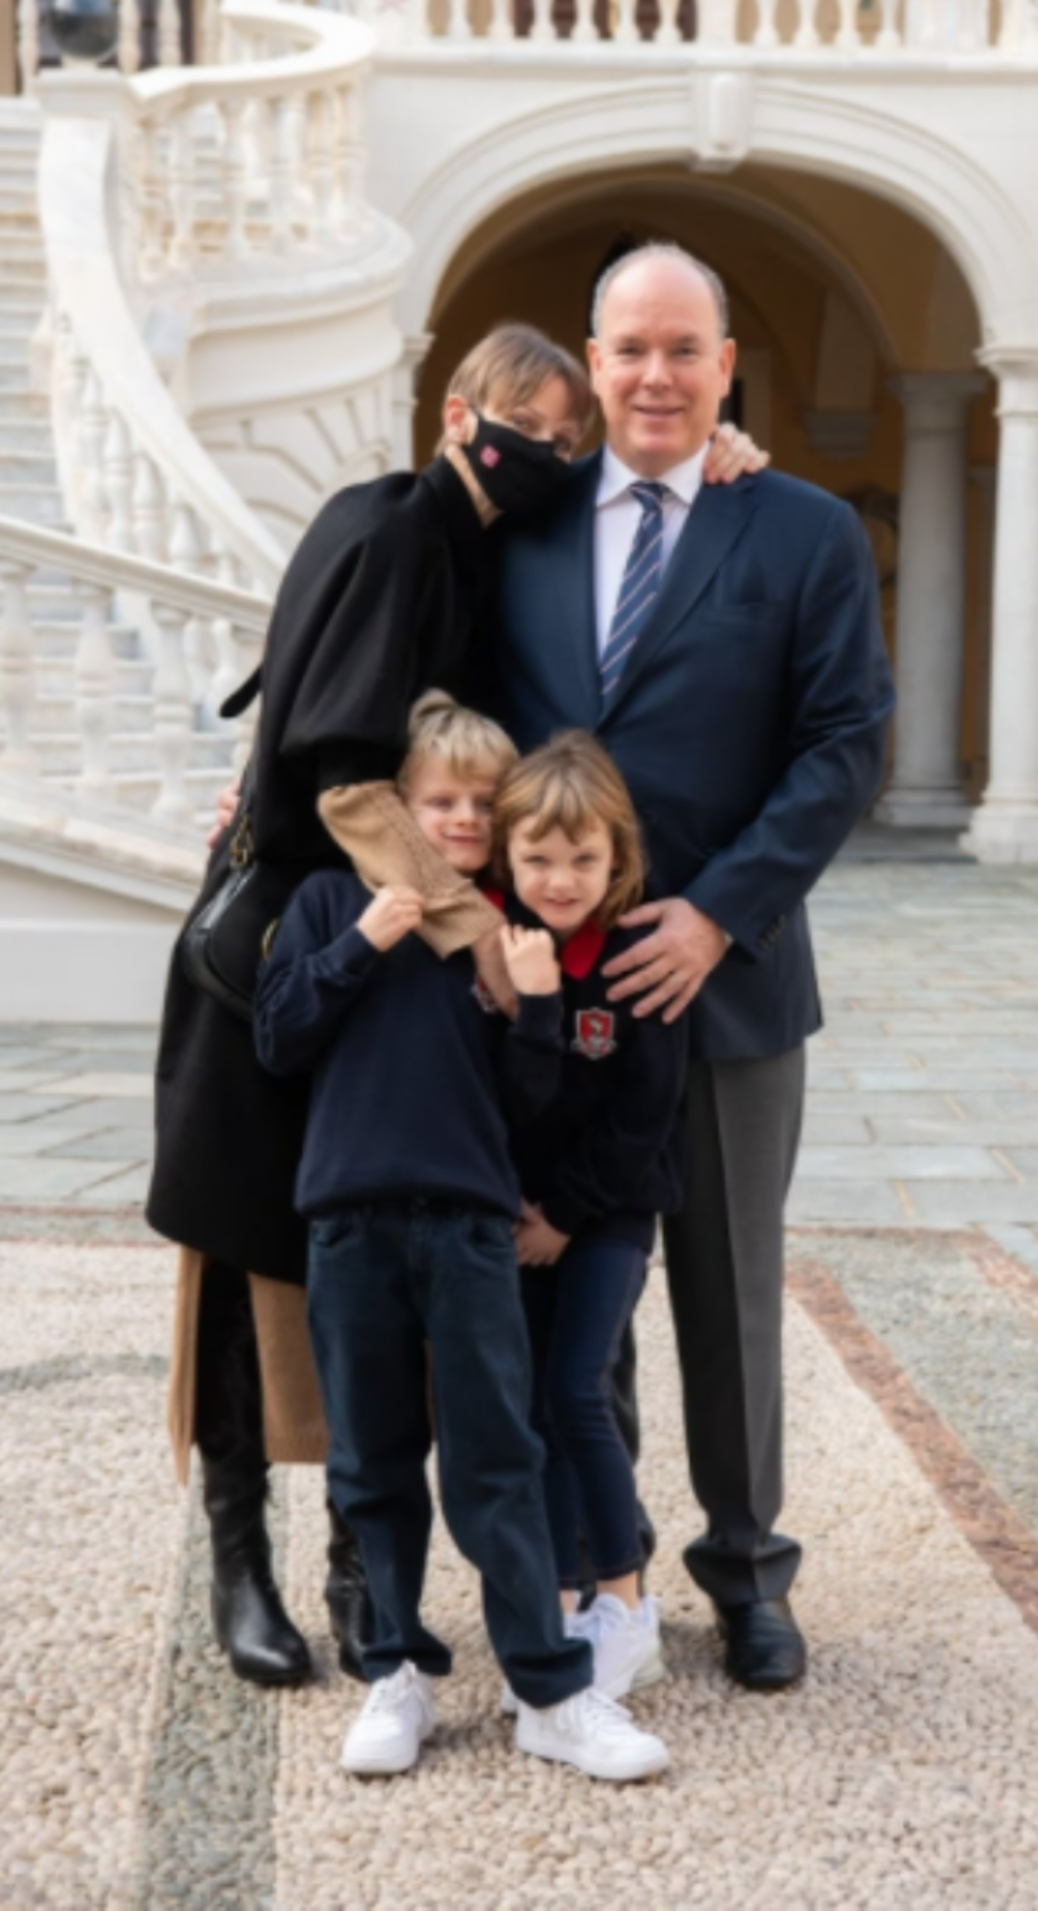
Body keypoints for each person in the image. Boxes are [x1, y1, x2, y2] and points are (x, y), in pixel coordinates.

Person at [150, 317, 763, 1689]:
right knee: (247, 1259)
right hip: (304, 944)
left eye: (563, 437)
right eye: (522, 428)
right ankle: (241, 1566)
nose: (544, 452)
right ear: (454, 414)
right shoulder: (389, 529)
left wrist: (718, 452)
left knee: (368, 1260)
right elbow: (347, 780)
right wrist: (481, 934)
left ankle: (362, 1572)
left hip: (402, 960)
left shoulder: (478, 543)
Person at [490, 244, 896, 1692]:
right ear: (591, 362)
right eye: (630, 348)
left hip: (728, 985)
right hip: (554, 993)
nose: (655, 375)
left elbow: (846, 741)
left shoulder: (801, 531)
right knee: (570, 1287)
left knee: (731, 1296)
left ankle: (749, 1570)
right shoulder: (522, 527)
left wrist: (719, 912)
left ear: (727, 366)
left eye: (683, 350)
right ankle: (600, 1568)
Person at [254, 692, 670, 1784]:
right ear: (403, 800)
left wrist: (535, 1007)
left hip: (473, 1228)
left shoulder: (505, 937)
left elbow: (530, 1106)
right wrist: (359, 945)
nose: (463, 819)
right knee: (372, 1460)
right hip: (349, 1220)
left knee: (499, 1461)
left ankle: (550, 1691)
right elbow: (278, 1039)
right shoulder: (329, 899)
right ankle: (396, 1669)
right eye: (441, 799)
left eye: (484, 802)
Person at [490, 733, 688, 1701]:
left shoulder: (634, 959)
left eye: (583, 858)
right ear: (505, 855)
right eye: (537, 857)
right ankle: (563, 1603)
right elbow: (503, 1099)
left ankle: (625, 1601)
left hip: (606, 1213)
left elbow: (646, 1113)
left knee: (579, 1390)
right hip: (518, 1217)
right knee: (533, 1405)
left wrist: (565, 1214)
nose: (560, 879)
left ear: (619, 859)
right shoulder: (496, 953)